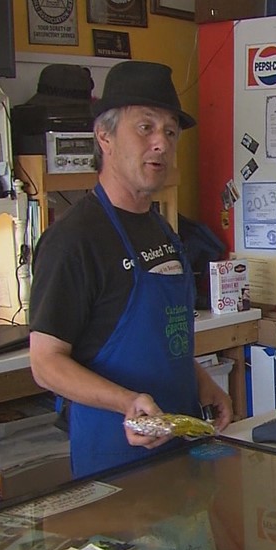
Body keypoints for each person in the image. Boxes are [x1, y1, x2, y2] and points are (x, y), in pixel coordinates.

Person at [29, 61, 233, 478]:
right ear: (104, 135)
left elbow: (161, 338)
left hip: (182, 447)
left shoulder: (161, 225)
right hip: (116, 459)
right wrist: (126, 402)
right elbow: (45, 363)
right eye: (145, 128)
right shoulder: (74, 240)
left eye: (170, 132)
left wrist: (200, 382)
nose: (161, 143)